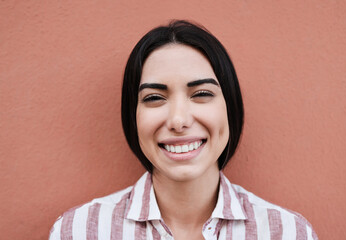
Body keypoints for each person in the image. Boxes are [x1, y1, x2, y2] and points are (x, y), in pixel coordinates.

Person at [49, 20, 318, 240]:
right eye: (154, 98)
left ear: (230, 108)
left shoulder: (287, 233)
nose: (178, 120)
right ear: (133, 117)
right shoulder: (79, 231)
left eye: (201, 93)